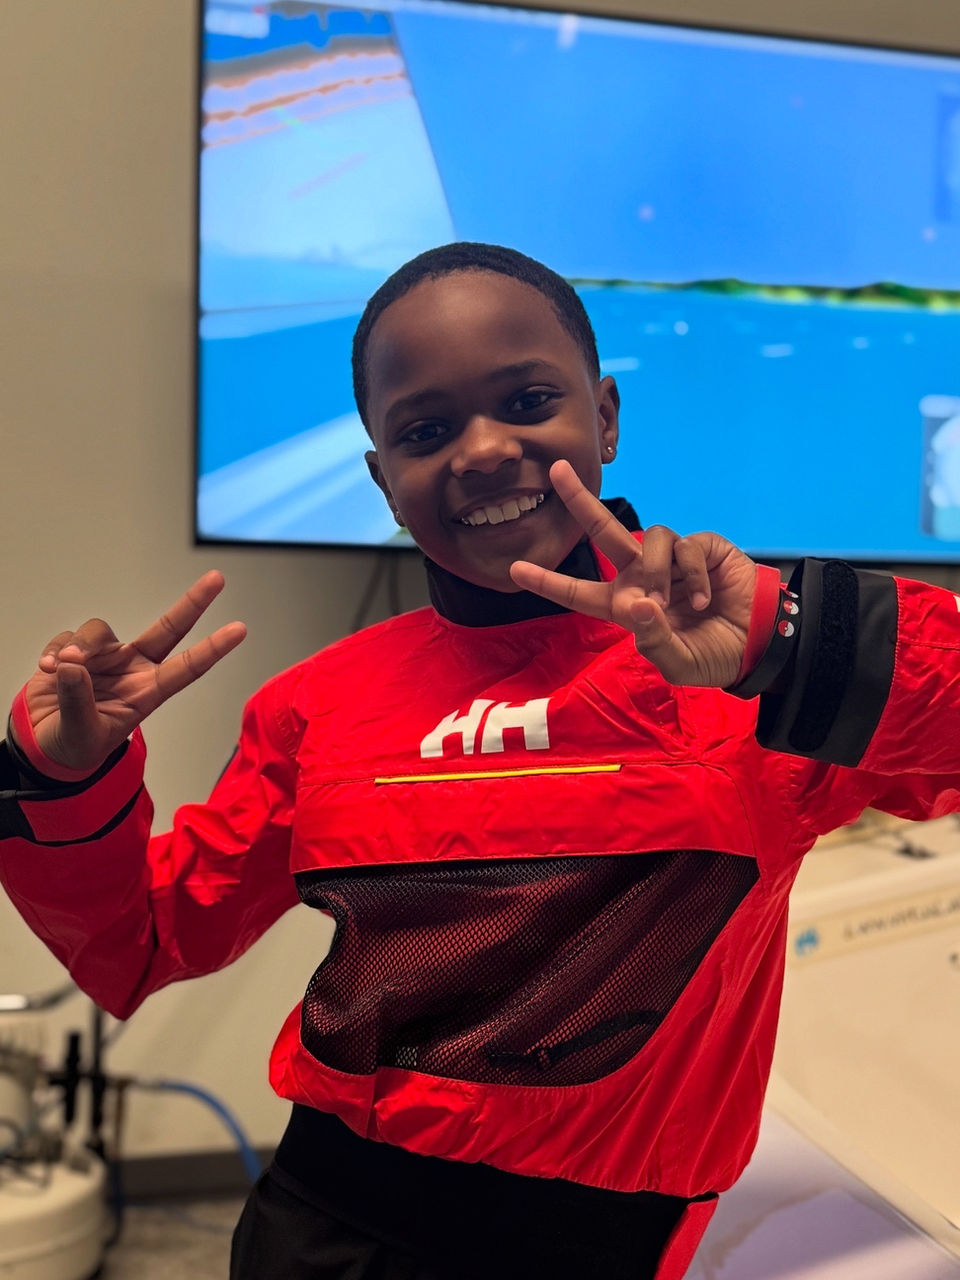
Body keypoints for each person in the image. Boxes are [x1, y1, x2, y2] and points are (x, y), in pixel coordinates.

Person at [2, 242, 959, 1280]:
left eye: (527, 399)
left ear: (605, 417)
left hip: (604, 1243)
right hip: (317, 1228)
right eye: (425, 428)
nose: (484, 448)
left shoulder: (746, 674)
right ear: (382, 476)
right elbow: (146, 940)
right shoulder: (314, 706)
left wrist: (787, 637)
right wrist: (63, 775)